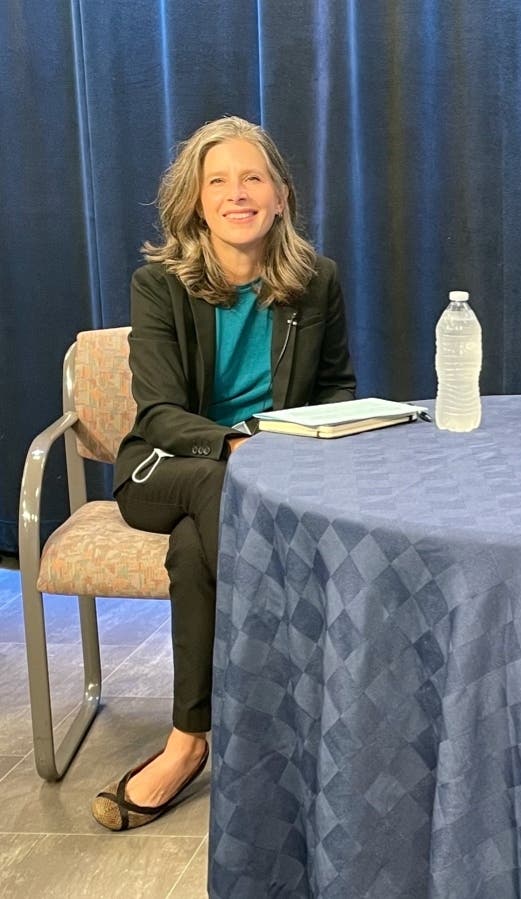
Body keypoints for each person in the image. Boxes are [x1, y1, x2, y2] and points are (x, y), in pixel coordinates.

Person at [91, 116, 356, 831]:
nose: (236, 193)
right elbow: (160, 410)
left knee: (191, 554)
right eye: (218, 181)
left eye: (252, 178)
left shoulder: (316, 281)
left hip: (264, 475)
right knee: (217, 485)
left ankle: (188, 739)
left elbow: (334, 385)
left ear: (280, 197)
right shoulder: (160, 285)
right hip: (163, 468)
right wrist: (242, 447)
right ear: (196, 202)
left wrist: (327, 431)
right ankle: (293, 698)